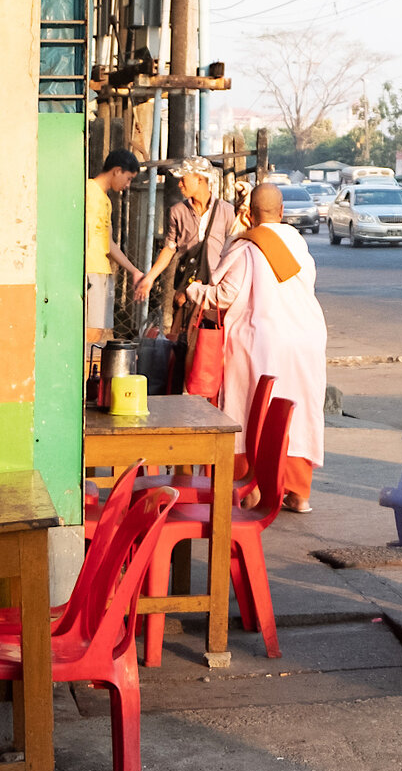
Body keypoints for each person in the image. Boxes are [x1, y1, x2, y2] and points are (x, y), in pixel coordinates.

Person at [195, 183, 327, 512]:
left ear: (249, 214)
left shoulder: (245, 247)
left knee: (248, 412)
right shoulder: (298, 245)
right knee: (297, 415)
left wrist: (195, 291)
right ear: (282, 213)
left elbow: (225, 296)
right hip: (305, 341)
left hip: (261, 343)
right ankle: (297, 493)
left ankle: (251, 488)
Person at [159, 162, 241, 398]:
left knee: (211, 346)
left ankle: (210, 394)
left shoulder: (226, 211)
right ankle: (182, 397)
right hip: (186, 291)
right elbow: (170, 249)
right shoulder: (177, 212)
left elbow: (232, 251)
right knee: (182, 344)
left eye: (185, 179)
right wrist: (150, 276)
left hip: (214, 292)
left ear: (201, 180)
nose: (180, 184)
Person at [86, 149, 149, 361]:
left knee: (97, 333)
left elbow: (109, 242)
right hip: (89, 271)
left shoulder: (105, 200)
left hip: (101, 271)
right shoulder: (88, 191)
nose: (128, 184)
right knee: (91, 334)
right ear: (117, 171)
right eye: (128, 178)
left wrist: (133, 271)